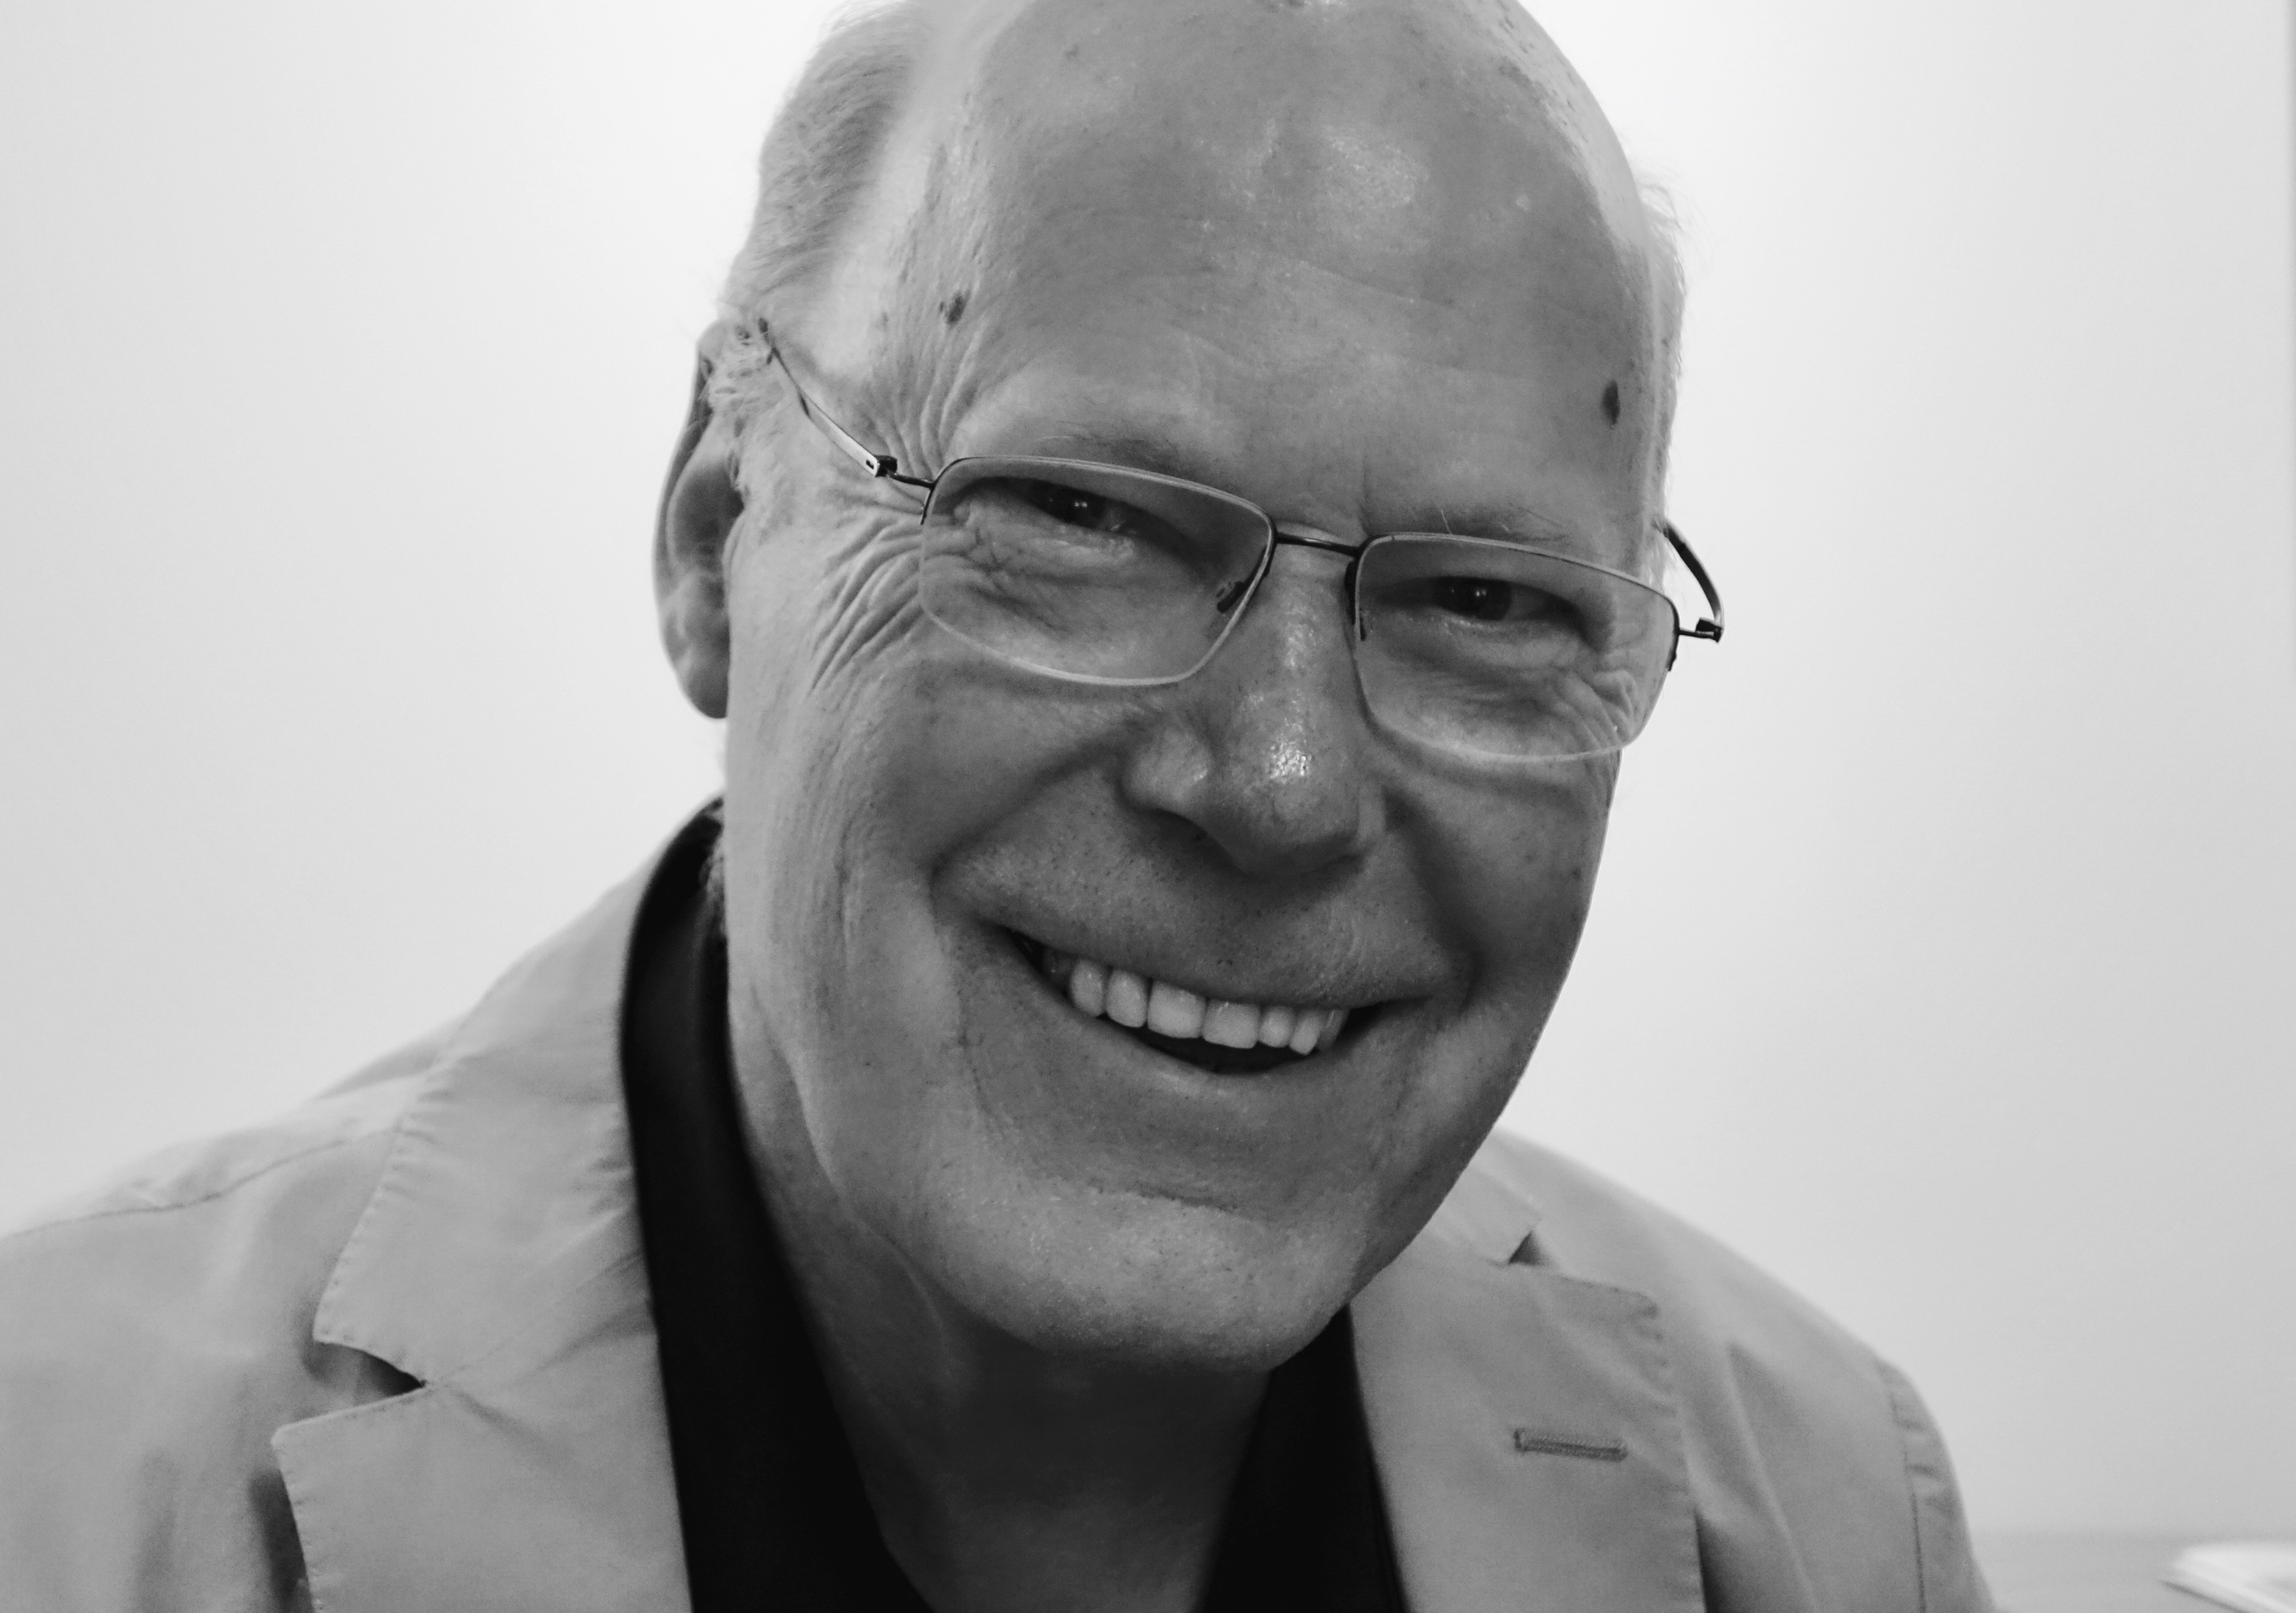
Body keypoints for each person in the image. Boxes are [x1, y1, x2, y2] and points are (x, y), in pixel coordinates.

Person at [0, 0, 1994, 1607]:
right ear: (716, 540)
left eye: (1487, 600)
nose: (1283, 782)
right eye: (1079, 517)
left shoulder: (1823, 1516)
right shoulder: (58, 1487)